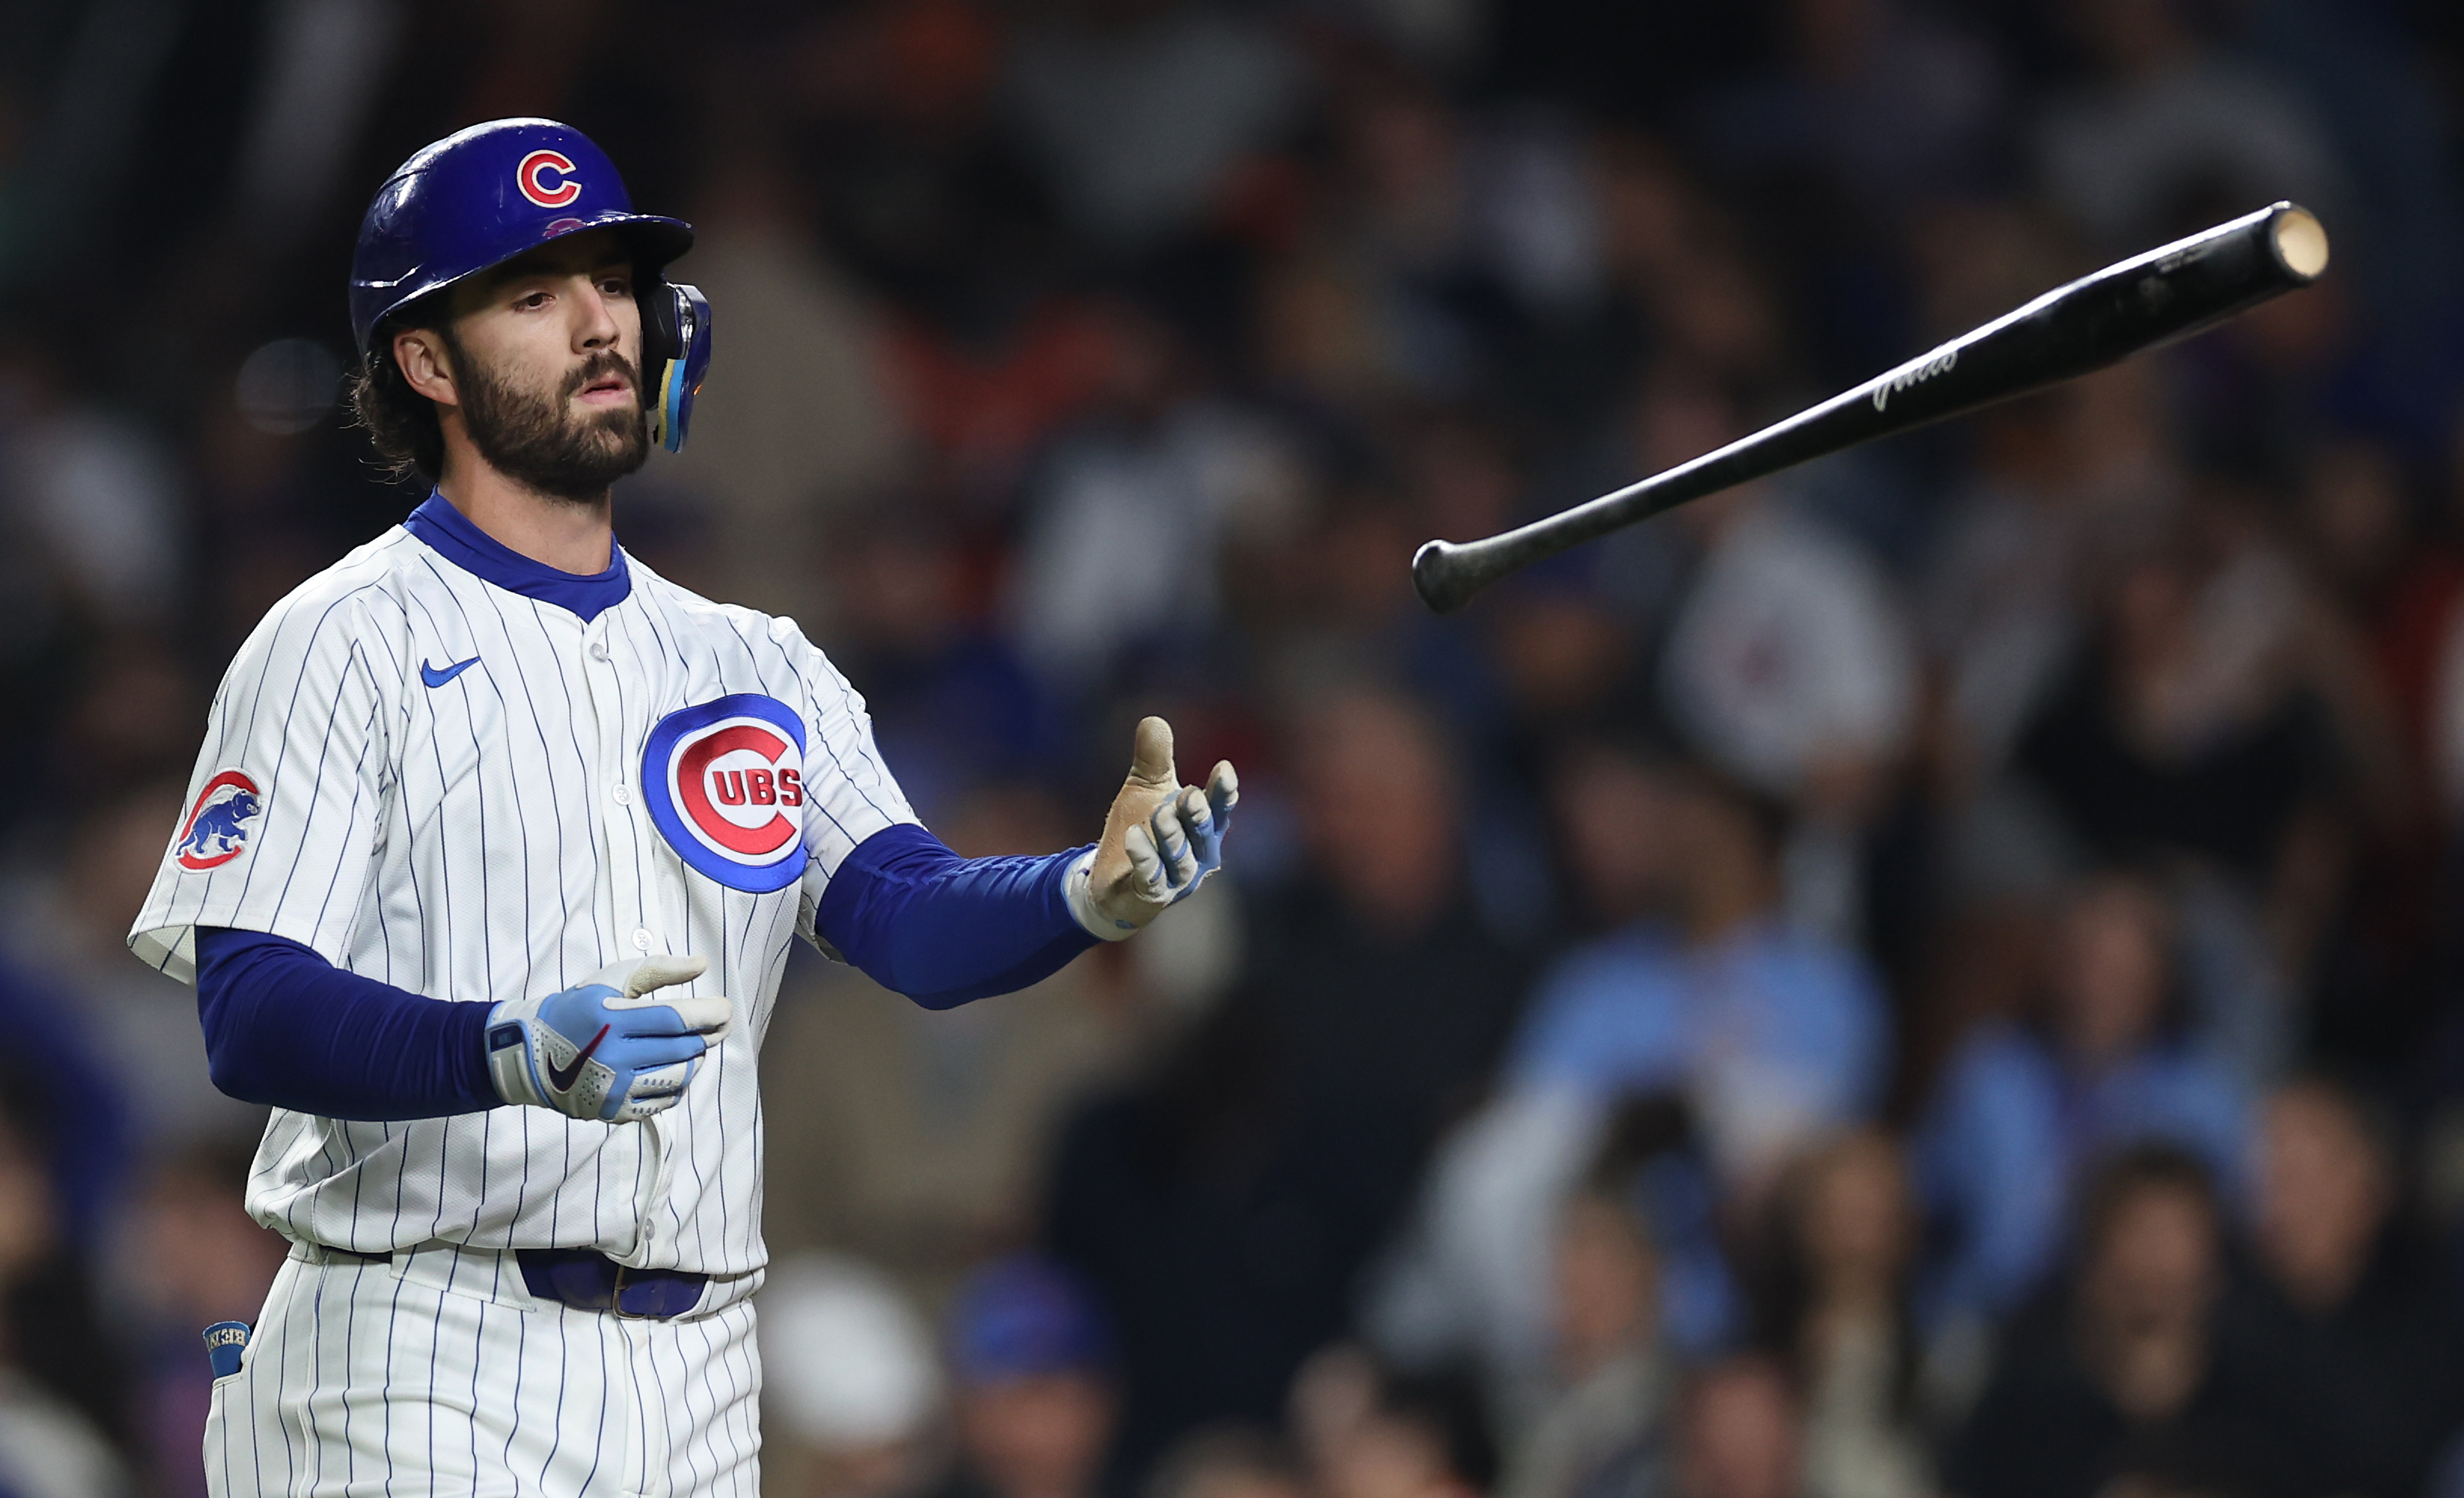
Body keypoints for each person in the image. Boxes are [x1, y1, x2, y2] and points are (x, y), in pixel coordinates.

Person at [124, 118, 1240, 1496]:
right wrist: (507, 1049)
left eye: (614, 284)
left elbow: (902, 917)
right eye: (535, 294)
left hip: (697, 1371)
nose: (601, 325)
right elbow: (249, 1010)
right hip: (413, 1346)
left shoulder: (757, 660)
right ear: (426, 361)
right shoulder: (338, 638)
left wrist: (1082, 889)